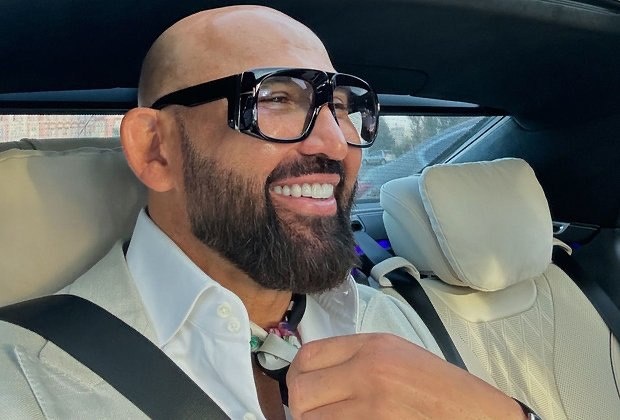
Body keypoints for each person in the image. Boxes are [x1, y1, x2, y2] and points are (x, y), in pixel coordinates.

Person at [0, 5, 531, 419]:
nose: (336, 142)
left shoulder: (392, 321)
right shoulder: (23, 379)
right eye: (275, 98)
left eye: (340, 107)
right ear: (156, 150)